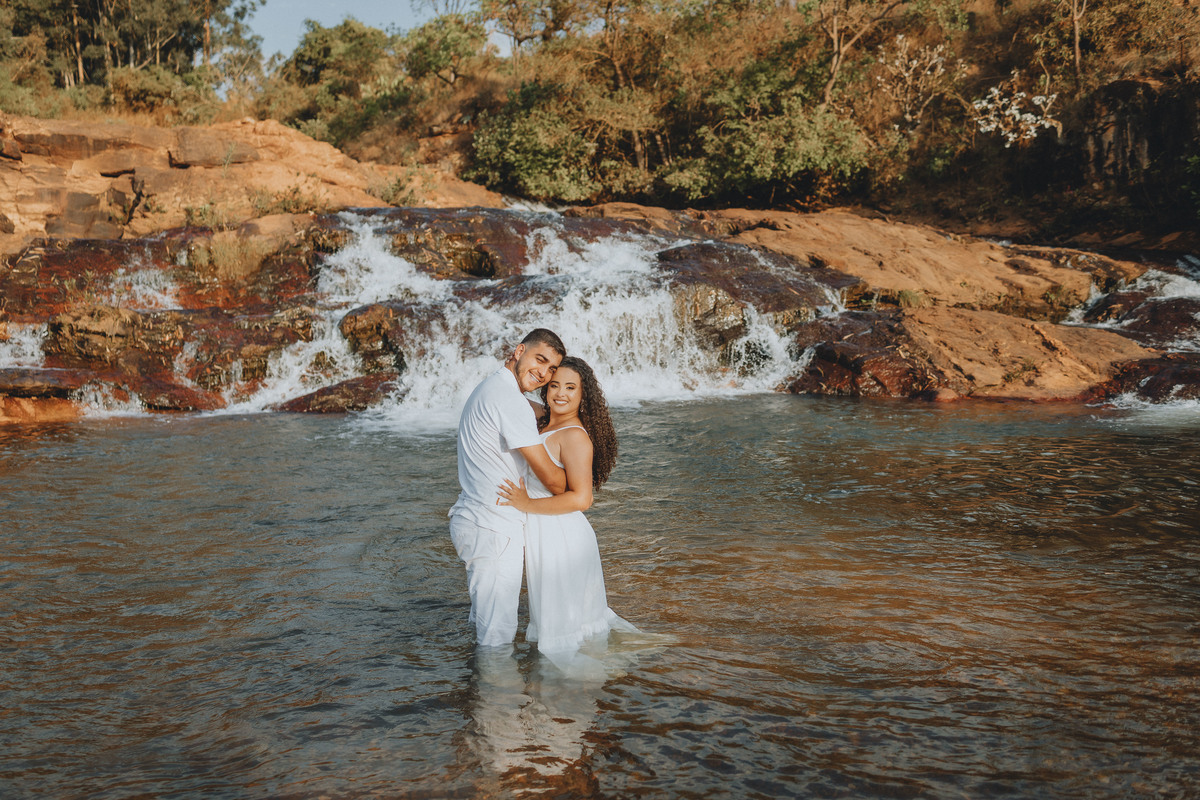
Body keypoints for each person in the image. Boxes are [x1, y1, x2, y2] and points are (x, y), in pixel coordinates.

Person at [497, 356, 638, 658]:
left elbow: (582, 499)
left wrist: (526, 503)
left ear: (583, 394)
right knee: (559, 619)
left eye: (570, 388)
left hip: (561, 536)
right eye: (554, 386)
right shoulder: (544, 419)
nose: (560, 393)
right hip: (545, 530)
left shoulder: (574, 436)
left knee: (563, 626)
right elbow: (508, 397)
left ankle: (572, 682)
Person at [449, 329, 568, 648]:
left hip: (477, 519)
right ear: (519, 351)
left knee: (484, 625)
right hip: (493, 528)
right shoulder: (509, 401)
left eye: (552, 369)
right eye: (540, 360)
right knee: (497, 637)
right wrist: (579, 467)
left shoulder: (494, 388)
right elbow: (554, 482)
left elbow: (537, 413)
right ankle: (494, 682)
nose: (543, 373)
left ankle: (476, 677)